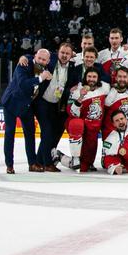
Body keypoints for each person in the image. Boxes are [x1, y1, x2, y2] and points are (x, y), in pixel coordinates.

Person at [1, 49, 52, 174]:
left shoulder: (46, 66)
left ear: (48, 61)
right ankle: (9, 165)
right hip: (12, 102)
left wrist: (73, 55)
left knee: (30, 134)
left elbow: (57, 56)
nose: (41, 61)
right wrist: (41, 78)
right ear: (35, 56)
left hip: (27, 105)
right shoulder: (24, 64)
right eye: (39, 58)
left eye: (44, 60)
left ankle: (32, 163)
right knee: (10, 133)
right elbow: (23, 84)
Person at [34, 42, 74, 171]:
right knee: (47, 132)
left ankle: (39, 161)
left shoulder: (73, 66)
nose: (64, 55)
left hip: (57, 105)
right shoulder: (50, 61)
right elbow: (35, 57)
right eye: (62, 52)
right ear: (57, 52)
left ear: (71, 55)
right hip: (43, 102)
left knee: (51, 134)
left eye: (67, 53)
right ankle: (48, 163)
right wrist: (24, 58)